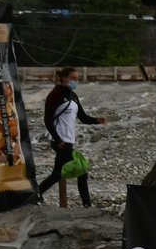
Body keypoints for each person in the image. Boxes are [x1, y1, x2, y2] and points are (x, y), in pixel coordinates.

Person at [36, 66, 107, 206]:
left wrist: (97, 120)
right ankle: (87, 205)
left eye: (77, 79)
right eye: (72, 78)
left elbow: (83, 117)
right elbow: (47, 120)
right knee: (81, 170)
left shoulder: (73, 95)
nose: (76, 81)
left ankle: (35, 196)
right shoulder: (55, 95)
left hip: (69, 140)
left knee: (57, 174)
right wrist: (58, 139)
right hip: (60, 141)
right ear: (63, 78)